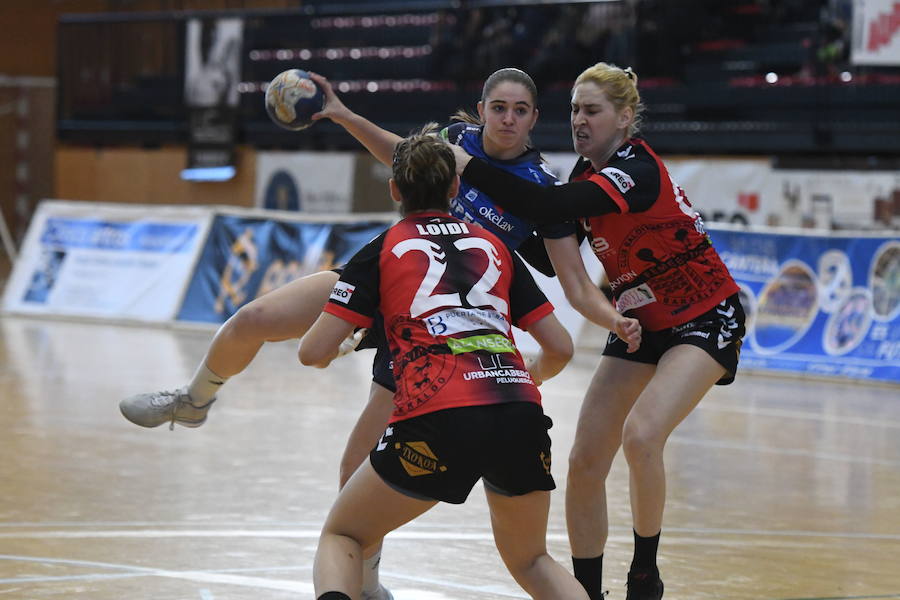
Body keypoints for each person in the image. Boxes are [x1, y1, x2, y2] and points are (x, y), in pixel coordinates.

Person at [119, 66, 639, 600]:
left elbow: (573, 286)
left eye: (520, 110)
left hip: (448, 330)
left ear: (533, 120)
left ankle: (362, 581)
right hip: (397, 280)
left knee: (356, 467)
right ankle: (194, 399)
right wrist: (343, 115)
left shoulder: (542, 189)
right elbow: (403, 157)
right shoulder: (453, 145)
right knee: (254, 319)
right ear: (480, 110)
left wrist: (610, 318)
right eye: (499, 107)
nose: (508, 118)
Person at [449, 62, 747, 600]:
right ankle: (586, 592)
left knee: (642, 434)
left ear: (624, 118)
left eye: (592, 111)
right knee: (585, 457)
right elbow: (548, 244)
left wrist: (468, 164)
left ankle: (645, 575)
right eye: (573, 112)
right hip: (639, 320)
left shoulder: (636, 168)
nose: (579, 122)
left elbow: (545, 206)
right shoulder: (583, 180)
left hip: (705, 315)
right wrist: (487, 222)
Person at [300, 126, 587, 600]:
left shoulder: (382, 249)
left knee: (344, 535)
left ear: (394, 189)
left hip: (438, 416)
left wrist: (347, 341)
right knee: (533, 560)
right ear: (456, 187)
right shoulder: (496, 247)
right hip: (518, 409)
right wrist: (524, 374)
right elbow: (560, 347)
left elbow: (311, 352)